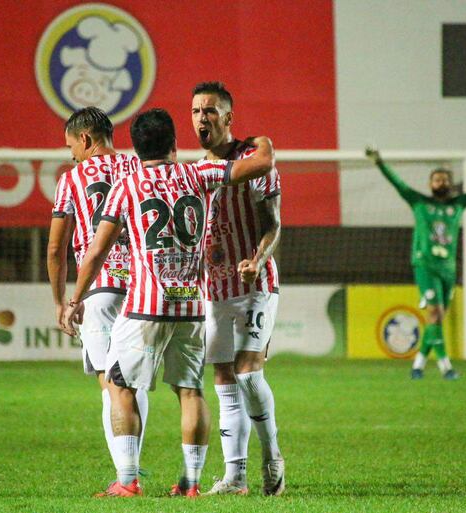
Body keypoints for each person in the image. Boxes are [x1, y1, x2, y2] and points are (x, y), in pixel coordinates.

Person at [63, 108, 276, 498]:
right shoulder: (198, 174)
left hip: (145, 305)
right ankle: (191, 483)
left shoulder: (127, 185)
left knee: (118, 383)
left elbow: (95, 251)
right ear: (175, 146)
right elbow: (259, 164)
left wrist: (75, 298)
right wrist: (264, 144)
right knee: (190, 391)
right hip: (192, 305)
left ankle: (127, 480)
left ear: (136, 148)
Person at [190, 81, 284, 496]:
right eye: (195, 111)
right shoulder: (194, 172)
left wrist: (258, 259)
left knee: (248, 374)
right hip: (214, 290)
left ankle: (272, 457)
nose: (201, 118)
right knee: (224, 380)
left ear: (228, 117)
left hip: (255, 284)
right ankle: (235, 476)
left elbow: (273, 224)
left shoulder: (253, 159)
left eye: (210, 110)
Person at [47, 107, 148, 487]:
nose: (71, 154)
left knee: (111, 384)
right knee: (133, 381)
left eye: (71, 146)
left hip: (100, 289)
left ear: (85, 140)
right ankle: (132, 468)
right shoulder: (139, 167)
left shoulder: (72, 179)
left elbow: (56, 249)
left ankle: (126, 475)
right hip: (143, 288)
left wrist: (62, 301)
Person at [366, 146, 466, 379]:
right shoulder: (418, 202)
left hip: (448, 268)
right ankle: (446, 367)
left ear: (450, 185)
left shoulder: (458, 205)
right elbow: (397, 183)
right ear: (430, 184)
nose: (440, 182)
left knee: (436, 319)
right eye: (436, 179)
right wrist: (378, 161)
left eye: (444, 179)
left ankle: (418, 366)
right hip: (425, 265)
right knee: (434, 314)